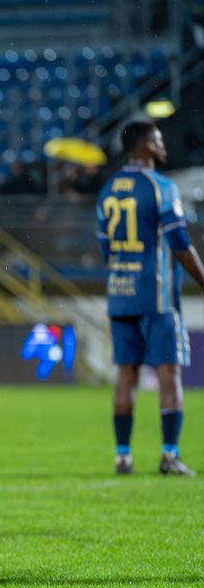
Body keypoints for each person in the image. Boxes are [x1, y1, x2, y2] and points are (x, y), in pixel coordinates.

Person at [96, 121, 202, 476]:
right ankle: (169, 455)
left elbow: (105, 248)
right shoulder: (160, 187)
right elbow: (180, 245)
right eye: (157, 140)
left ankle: (123, 456)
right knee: (169, 371)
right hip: (156, 295)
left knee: (126, 374)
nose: (163, 146)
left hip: (119, 294)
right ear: (143, 145)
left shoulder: (108, 189)